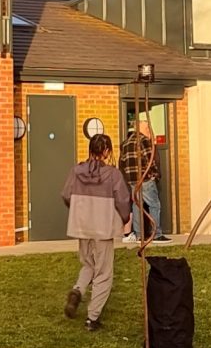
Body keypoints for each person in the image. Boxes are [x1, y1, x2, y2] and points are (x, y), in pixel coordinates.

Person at [61, 130, 130, 329]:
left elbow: (66, 195)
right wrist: (124, 218)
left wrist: (78, 210)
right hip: (104, 227)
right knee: (103, 272)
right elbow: (123, 200)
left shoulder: (76, 171)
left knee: (88, 265)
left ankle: (79, 290)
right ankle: (92, 317)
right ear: (106, 151)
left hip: (82, 225)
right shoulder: (113, 174)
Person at [117, 122, 162, 241]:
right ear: (140, 128)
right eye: (147, 128)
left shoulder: (125, 143)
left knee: (137, 206)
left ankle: (138, 235)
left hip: (132, 180)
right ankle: (156, 234)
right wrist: (155, 175)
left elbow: (122, 163)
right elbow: (150, 160)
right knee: (154, 205)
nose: (149, 130)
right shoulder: (144, 140)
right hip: (145, 178)